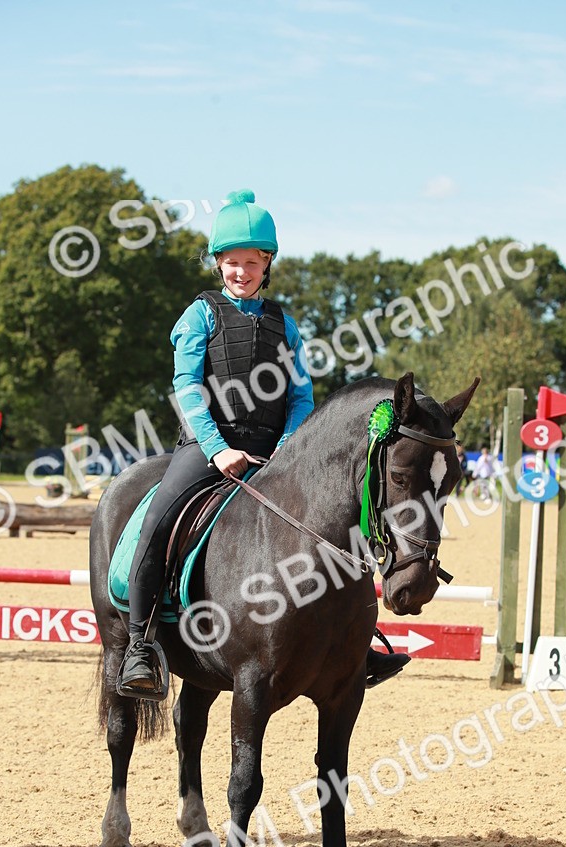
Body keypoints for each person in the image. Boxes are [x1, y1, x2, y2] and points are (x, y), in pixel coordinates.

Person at [118, 189, 409, 698]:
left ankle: (352, 646)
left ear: (266, 263)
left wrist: (290, 449)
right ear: (218, 264)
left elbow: (301, 396)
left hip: (274, 456)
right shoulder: (199, 316)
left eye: (252, 262)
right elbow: (186, 388)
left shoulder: (284, 324)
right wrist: (216, 448)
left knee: (338, 527)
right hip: (209, 451)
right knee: (157, 520)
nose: (241, 271)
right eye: (232, 262)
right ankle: (141, 644)